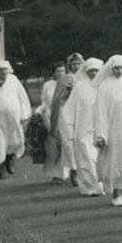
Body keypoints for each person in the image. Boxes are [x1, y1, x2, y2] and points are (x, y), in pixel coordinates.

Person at [93, 55, 122, 206]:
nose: (119, 71)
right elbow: (100, 111)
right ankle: (116, 192)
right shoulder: (105, 85)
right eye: (115, 68)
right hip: (113, 129)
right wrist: (101, 134)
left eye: (121, 68)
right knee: (114, 160)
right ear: (110, 69)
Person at [60, 58, 104, 196]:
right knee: (87, 159)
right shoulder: (79, 87)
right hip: (83, 129)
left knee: (99, 159)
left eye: (96, 70)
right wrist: (70, 130)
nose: (93, 73)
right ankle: (89, 187)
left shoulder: (104, 85)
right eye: (90, 71)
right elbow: (69, 108)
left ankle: (100, 184)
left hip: (100, 128)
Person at [51, 52, 84, 186]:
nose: (76, 66)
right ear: (69, 65)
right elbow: (57, 99)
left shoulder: (86, 78)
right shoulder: (65, 79)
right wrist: (67, 92)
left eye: (78, 63)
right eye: (73, 64)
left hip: (82, 114)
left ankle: (82, 171)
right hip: (67, 113)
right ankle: (74, 171)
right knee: (68, 144)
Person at [35, 61, 67, 183]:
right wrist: (39, 111)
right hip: (51, 118)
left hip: (65, 117)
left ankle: (69, 173)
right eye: (57, 71)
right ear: (53, 73)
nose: (60, 73)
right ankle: (56, 175)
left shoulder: (69, 83)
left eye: (62, 71)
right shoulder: (48, 85)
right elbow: (44, 102)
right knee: (53, 147)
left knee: (65, 146)